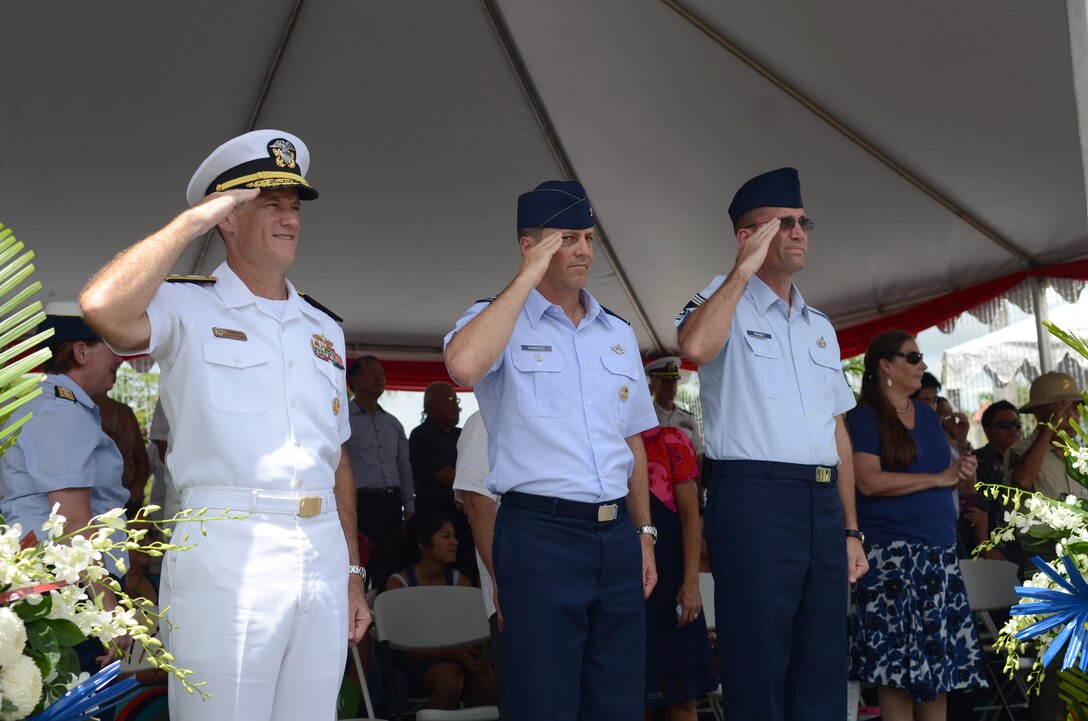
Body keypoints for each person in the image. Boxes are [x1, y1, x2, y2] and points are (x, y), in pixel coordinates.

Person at [79, 129, 370, 721]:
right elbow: (102, 307)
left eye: (293, 207)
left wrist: (352, 573)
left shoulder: (324, 327)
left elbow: (337, 458)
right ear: (229, 219)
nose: (289, 220)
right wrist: (195, 220)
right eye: (270, 205)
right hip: (227, 543)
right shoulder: (185, 304)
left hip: (320, 551)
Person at [444, 179, 658, 720]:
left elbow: (631, 439)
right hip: (541, 536)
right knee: (545, 702)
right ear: (529, 245)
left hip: (615, 537)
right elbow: (464, 366)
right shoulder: (493, 320)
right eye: (566, 238)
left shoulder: (617, 332)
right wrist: (526, 280)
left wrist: (645, 534)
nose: (583, 250)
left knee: (619, 702)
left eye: (587, 237)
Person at [675, 167, 866, 721]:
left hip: (822, 504)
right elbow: (693, 347)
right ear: (747, 236)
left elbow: (838, 431)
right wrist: (742, 271)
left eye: (803, 222)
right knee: (758, 661)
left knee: (824, 663)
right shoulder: (721, 300)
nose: (799, 232)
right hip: (754, 496)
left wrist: (851, 527)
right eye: (783, 223)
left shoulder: (820, 325)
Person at [847, 330, 985, 721]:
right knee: (896, 674)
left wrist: (962, 471)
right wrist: (939, 478)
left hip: (938, 554)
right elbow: (868, 481)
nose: (922, 364)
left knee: (937, 670)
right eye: (913, 357)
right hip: (892, 557)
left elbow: (949, 478)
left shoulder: (926, 414)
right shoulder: (863, 417)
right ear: (885, 365)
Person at [0, 307, 130, 669]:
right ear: (80, 352)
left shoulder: (53, 405)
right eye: (111, 347)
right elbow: (73, 524)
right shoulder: (61, 413)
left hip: (61, 582)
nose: (118, 359)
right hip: (68, 589)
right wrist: (110, 618)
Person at [384, 509, 497, 711]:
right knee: (450, 679)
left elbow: (472, 629)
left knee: (487, 678)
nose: (455, 542)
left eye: (454, 535)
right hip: (414, 664)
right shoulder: (398, 585)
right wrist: (455, 652)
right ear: (423, 544)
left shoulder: (460, 581)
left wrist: (477, 653)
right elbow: (399, 651)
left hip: (456, 658)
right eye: (446, 537)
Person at [640, 424, 716, 721]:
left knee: (683, 700)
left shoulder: (669, 439)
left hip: (673, 586)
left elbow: (690, 515)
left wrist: (692, 583)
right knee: (633, 699)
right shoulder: (598, 439)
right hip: (624, 586)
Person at [451, 410, 509, 720]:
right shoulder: (484, 421)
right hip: (513, 595)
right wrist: (503, 582)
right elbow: (475, 504)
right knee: (526, 703)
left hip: (568, 589)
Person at [346, 355, 414, 588]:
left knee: (390, 564)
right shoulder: (343, 418)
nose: (379, 378)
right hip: (360, 503)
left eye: (382, 374)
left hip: (391, 503)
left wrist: (409, 507)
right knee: (359, 566)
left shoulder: (393, 422)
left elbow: (404, 468)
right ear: (353, 380)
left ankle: (386, 619)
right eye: (372, 373)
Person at [410, 380, 475, 579]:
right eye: (449, 400)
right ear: (430, 407)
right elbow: (442, 474)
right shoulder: (421, 435)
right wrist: (472, 485)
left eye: (457, 400)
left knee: (468, 564)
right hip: (436, 514)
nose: (456, 405)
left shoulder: (463, 434)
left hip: (465, 514)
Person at [966, 400, 1022, 565]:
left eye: (1017, 424)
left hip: (1026, 543)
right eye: (1005, 425)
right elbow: (980, 505)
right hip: (997, 549)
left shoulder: (1026, 458)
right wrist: (985, 547)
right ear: (987, 429)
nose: (1013, 430)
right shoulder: (978, 460)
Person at [93, 390, 150, 518]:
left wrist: (136, 490)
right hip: (96, 503)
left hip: (129, 501)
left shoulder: (125, 412)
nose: (114, 369)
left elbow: (142, 461)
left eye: (117, 367)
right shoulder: (78, 410)